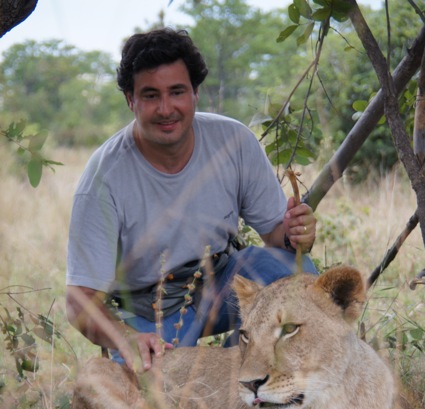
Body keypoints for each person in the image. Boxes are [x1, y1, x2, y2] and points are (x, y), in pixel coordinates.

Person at [66, 27, 317, 372]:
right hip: (151, 308)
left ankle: (239, 373)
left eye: (177, 92)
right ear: (130, 100)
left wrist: (297, 235)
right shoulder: (103, 179)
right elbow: (78, 302)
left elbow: (278, 239)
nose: (166, 108)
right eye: (150, 95)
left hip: (222, 280)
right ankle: (209, 379)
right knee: (154, 391)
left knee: (298, 281)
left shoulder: (234, 141)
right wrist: (127, 339)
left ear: (195, 93)